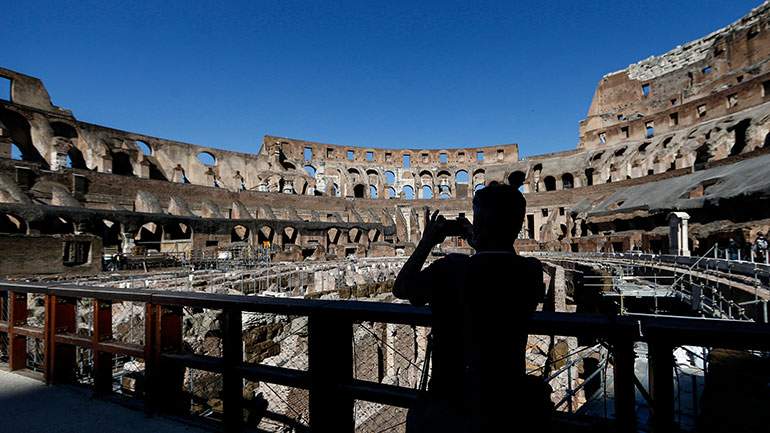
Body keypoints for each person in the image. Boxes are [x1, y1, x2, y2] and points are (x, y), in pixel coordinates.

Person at [394, 184, 547, 432]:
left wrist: (426, 243)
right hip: (505, 402)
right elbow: (502, 261)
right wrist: (483, 242)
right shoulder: (530, 271)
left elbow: (401, 288)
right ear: (518, 227)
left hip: (451, 399)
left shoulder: (449, 269)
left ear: (480, 223)